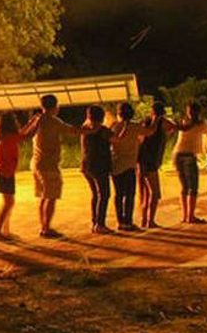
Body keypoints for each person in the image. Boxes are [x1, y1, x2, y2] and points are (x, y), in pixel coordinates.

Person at [31, 94, 84, 238]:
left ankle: (44, 225)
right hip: (48, 164)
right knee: (51, 196)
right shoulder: (53, 121)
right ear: (55, 107)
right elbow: (73, 130)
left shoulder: (38, 120)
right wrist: (90, 128)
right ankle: (46, 228)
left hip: (37, 162)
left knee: (43, 196)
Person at [0, 112, 35, 241]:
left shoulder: (5, 136)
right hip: (5, 173)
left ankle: (4, 231)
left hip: (5, 173)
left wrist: (31, 122)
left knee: (7, 203)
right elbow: (27, 135)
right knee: (8, 203)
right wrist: (38, 122)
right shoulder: (9, 137)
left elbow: (22, 133)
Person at [136, 102, 178, 228]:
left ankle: (145, 219)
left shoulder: (145, 123)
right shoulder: (160, 124)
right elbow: (174, 127)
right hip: (150, 161)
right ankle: (150, 221)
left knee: (145, 192)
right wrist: (161, 120)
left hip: (142, 160)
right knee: (154, 193)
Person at [172, 102, 207, 224]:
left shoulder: (183, 122)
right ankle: (191, 216)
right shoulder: (201, 123)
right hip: (189, 155)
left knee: (184, 187)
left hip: (177, 154)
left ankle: (185, 216)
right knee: (192, 187)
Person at [81, 105, 115, 234]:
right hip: (100, 165)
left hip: (86, 165)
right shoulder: (103, 130)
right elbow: (117, 139)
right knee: (104, 194)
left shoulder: (85, 128)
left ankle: (95, 222)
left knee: (96, 194)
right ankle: (100, 224)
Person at [109, 103, 142, 231]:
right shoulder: (135, 126)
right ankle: (127, 221)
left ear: (119, 114)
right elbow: (150, 131)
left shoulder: (113, 127)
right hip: (129, 165)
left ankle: (120, 221)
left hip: (116, 164)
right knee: (129, 194)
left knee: (118, 194)